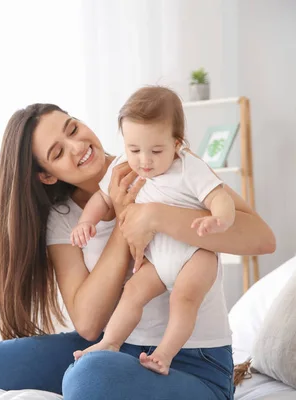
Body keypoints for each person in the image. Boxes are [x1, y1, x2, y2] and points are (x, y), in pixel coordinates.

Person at [0, 102, 275, 400]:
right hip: (111, 343)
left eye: (74, 128)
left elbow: (261, 239)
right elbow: (88, 322)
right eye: (57, 152)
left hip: (192, 358)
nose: (77, 145)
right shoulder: (63, 217)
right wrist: (124, 217)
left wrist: (153, 215)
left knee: (87, 377)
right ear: (46, 176)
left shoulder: (160, 159)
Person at [70, 86, 236, 376]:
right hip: (157, 259)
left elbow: (219, 196)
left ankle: (164, 354)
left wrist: (219, 219)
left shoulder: (189, 167)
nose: (144, 161)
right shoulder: (123, 167)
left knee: (183, 299)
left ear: (177, 143)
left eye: (156, 151)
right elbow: (103, 198)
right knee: (132, 291)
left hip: (194, 255)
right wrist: (87, 222)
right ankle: (110, 343)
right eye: (134, 149)